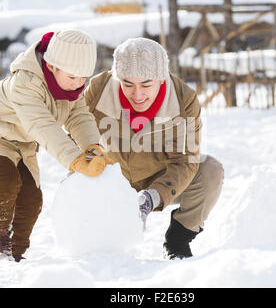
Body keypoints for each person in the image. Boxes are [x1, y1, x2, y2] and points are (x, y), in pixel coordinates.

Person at [0, 30, 112, 264]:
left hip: (21, 141)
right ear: (51, 66)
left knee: (31, 198)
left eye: (84, 78)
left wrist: (93, 147)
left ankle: (16, 256)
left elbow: (79, 117)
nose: (79, 84)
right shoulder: (25, 84)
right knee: (7, 180)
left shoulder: (71, 88)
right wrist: (76, 160)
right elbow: (43, 126)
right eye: (73, 77)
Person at [84, 37, 224, 259]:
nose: (137, 95)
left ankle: (178, 240)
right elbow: (78, 135)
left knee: (210, 170)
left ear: (161, 79)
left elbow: (186, 159)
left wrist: (152, 197)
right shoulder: (99, 89)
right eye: (127, 84)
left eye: (146, 84)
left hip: (161, 176)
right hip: (112, 176)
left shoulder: (183, 99)